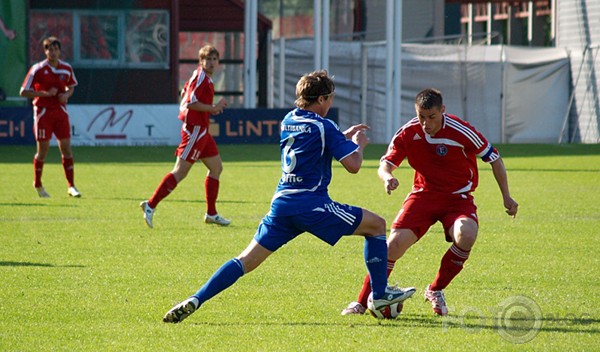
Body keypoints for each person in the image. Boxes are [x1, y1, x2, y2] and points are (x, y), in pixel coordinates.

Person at [162, 70, 416, 323]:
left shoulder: (289, 119)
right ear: (322, 99)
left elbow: (311, 142)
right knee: (376, 225)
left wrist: (342, 136)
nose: (331, 104)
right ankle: (381, 294)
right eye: (330, 99)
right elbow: (353, 165)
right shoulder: (325, 126)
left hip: (281, 205)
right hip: (311, 204)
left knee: (245, 261)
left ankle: (197, 298)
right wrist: (359, 144)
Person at [341, 88, 519, 316]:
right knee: (392, 246)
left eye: (431, 117)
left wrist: (506, 196)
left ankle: (436, 289)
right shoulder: (408, 132)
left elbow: (494, 158)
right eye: (421, 117)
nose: (426, 123)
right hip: (423, 196)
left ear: (442, 111)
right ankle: (362, 302)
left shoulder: (461, 130)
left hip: (458, 199)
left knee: (467, 234)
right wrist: (388, 178)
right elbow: (385, 164)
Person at [140, 45, 229, 228]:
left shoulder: (201, 77)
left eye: (214, 59)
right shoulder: (202, 77)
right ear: (201, 61)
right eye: (208, 59)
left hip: (202, 130)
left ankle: (211, 214)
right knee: (180, 172)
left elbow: (184, 93)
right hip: (195, 131)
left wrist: (208, 110)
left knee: (216, 167)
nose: (211, 63)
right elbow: (190, 103)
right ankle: (150, 205)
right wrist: (212, 108)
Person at [20, 36, 81, 198]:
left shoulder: (66, 68)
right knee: (43, 151)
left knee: (67, 149)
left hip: (60, 112)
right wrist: (44, 94)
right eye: (49, 49)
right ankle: (38, 184)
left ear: (59, 51)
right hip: (43, 113)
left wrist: (66, 95)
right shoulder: (37, 69)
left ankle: (71, 186)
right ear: (45, 51)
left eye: (55, 49)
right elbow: (23, 91)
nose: (52, 52)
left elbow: (72, 87)